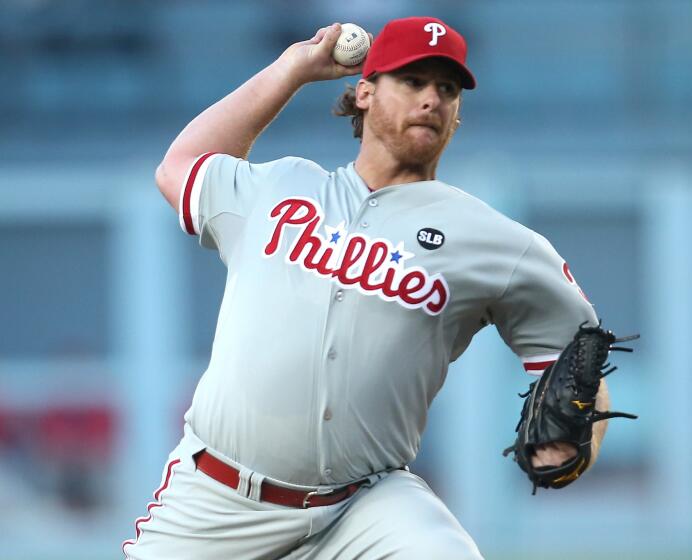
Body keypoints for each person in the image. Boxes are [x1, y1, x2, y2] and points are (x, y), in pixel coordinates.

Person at [123, 16, 614, 560]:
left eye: (446, 89)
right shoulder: (280, 187)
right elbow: (181, 167)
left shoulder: (495, 241)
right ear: (363, 92)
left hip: (363, 507)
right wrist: (291, 70)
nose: (431, 99)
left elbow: (578, 354)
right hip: (216, 502)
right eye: (412, 81)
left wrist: (577, 447)